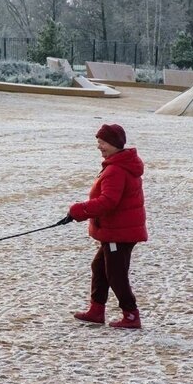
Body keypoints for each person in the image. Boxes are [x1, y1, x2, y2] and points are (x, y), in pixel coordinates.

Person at [67, 124, 147, 329]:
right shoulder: (118, 164)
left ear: (114, 144)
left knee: (115, 274)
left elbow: (108, 202)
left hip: (119, 233)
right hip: (116, 230)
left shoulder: (116, 170)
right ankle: (96, 310)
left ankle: (131, 315)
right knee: (99, 267)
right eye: (98, 142)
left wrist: (79, 210)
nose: (99, 146)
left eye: (102, 142)